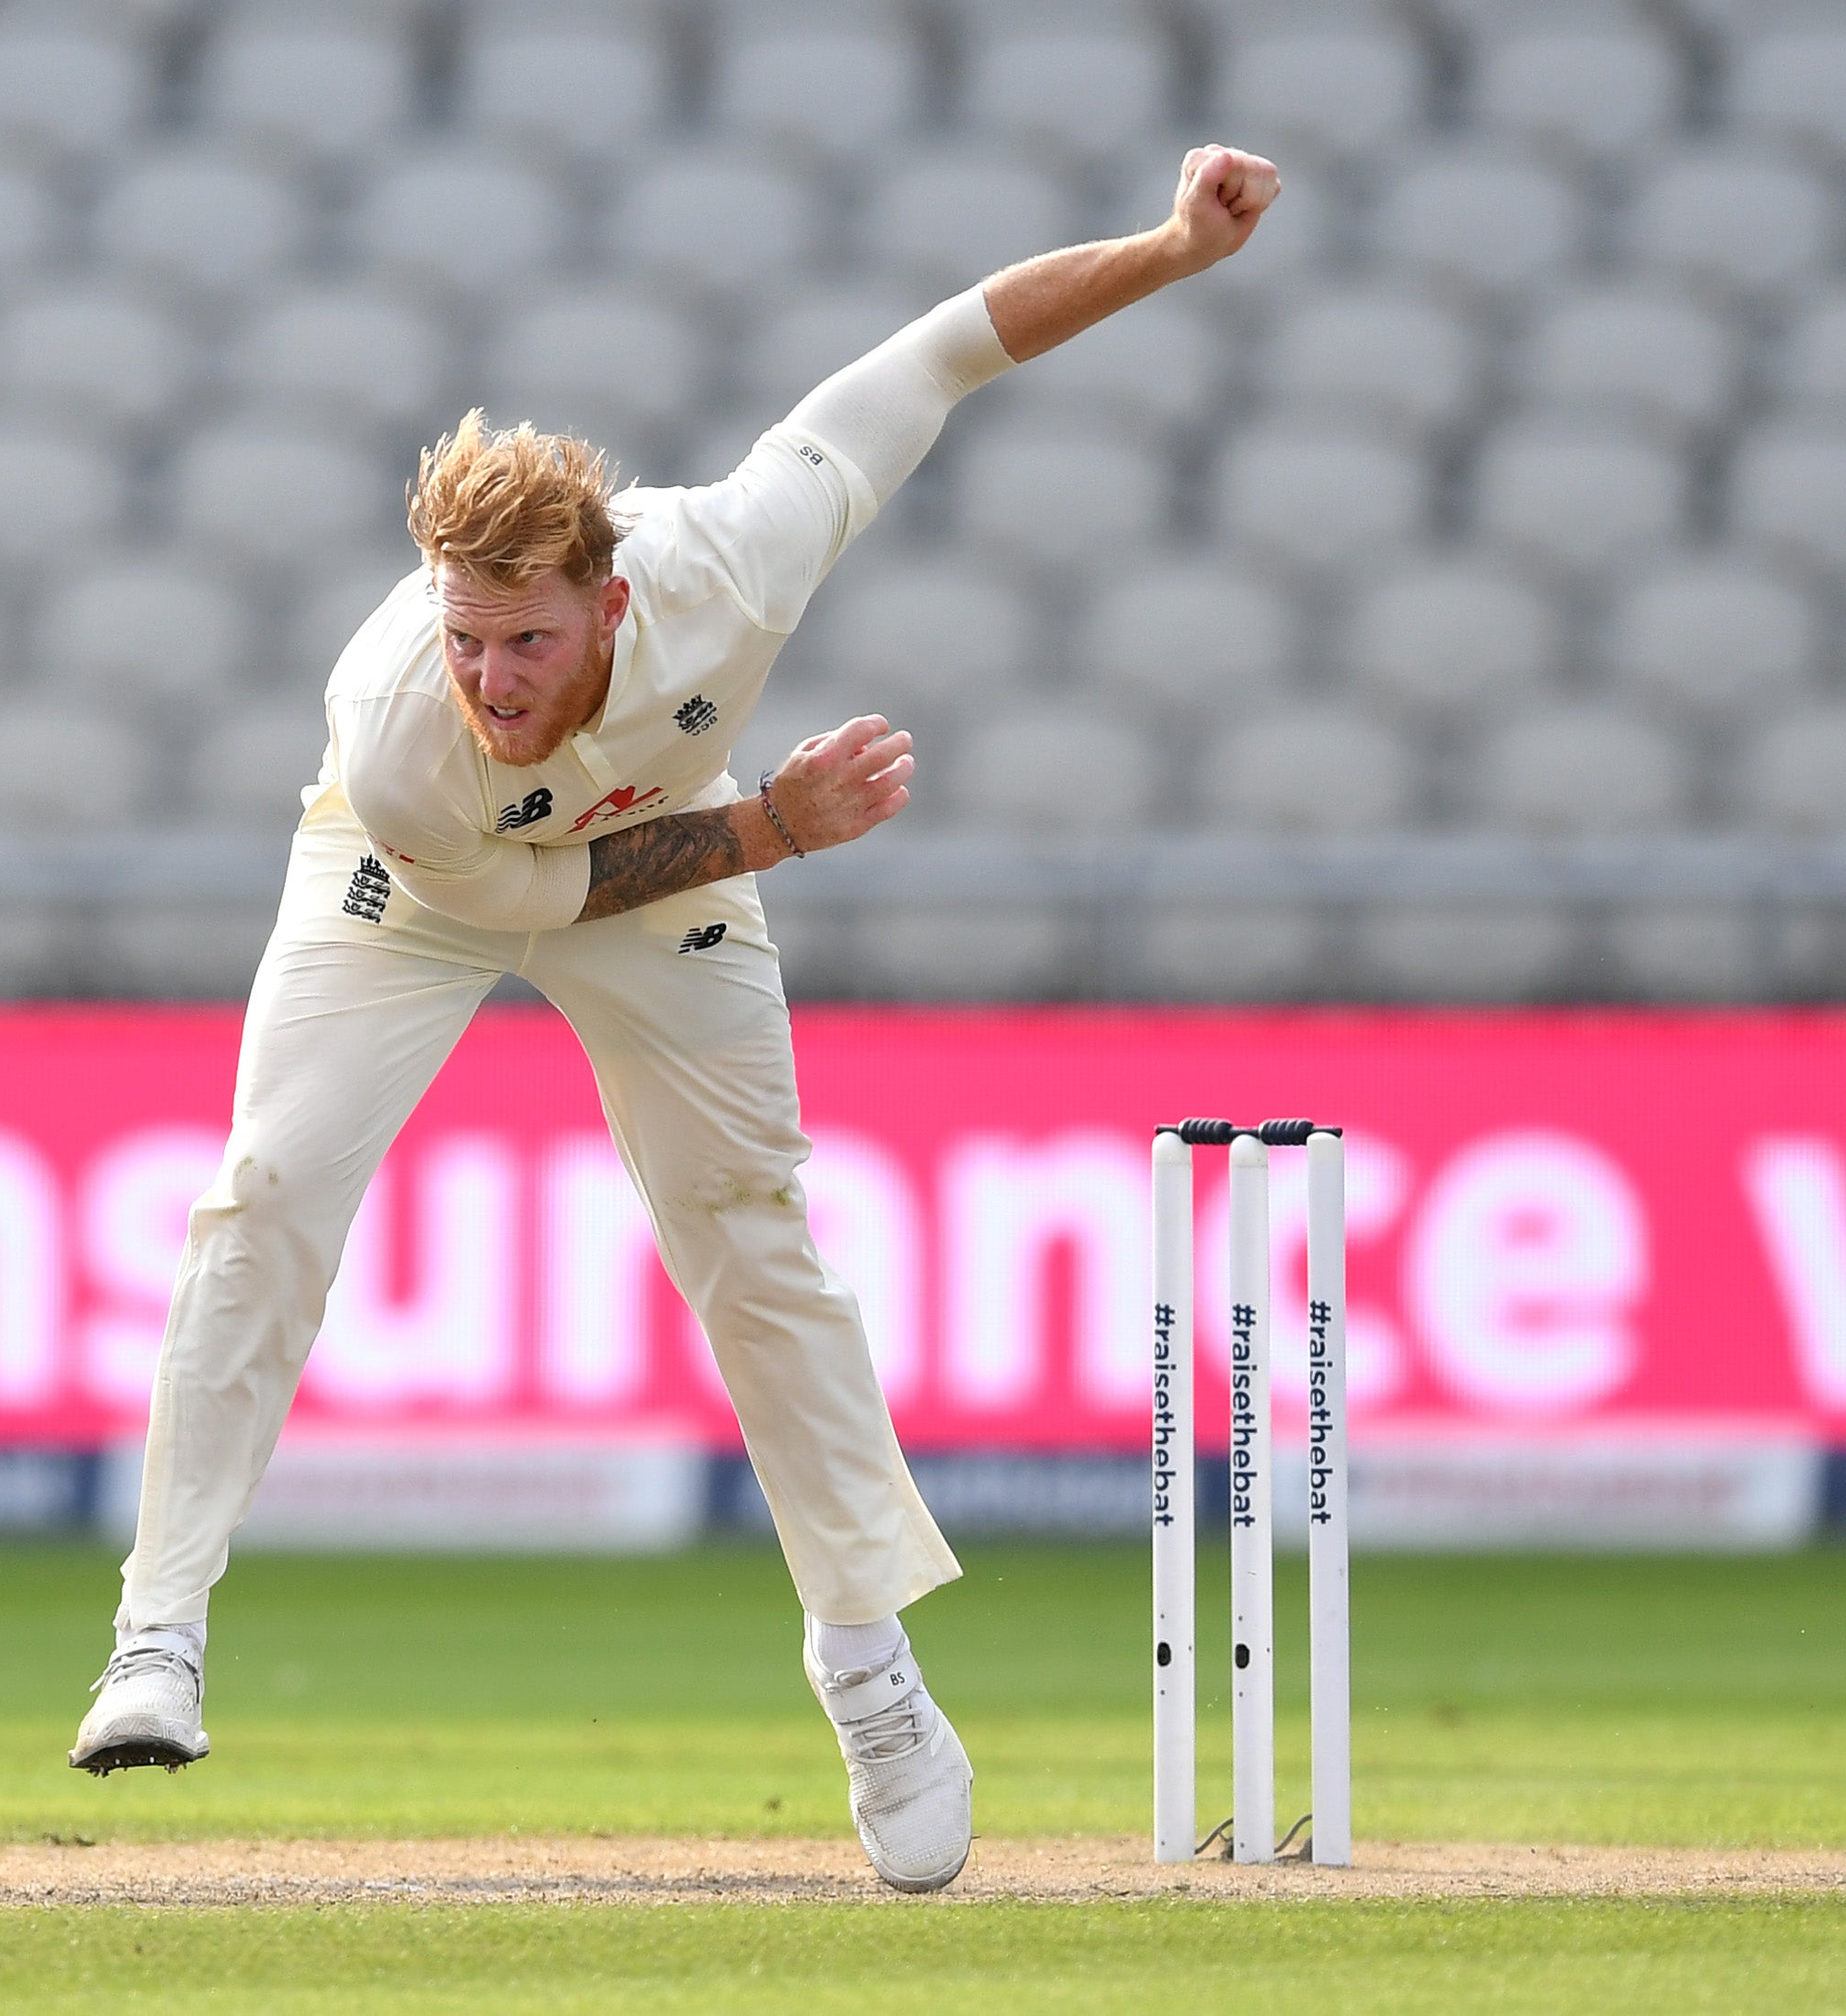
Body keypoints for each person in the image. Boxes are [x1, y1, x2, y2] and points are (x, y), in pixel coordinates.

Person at [70, 146, 1283, 1891]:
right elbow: (550, 896)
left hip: (672, 851)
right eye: (470, 637)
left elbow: (942, 352)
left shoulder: (728, 553)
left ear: (613, 602)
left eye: (529, 643)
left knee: (748, 1227)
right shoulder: (400, 732)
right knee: (266, 1191)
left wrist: (1170, 250)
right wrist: (777, 829)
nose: (494, 680)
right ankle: (158, 1632)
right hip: (418, 890)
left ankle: (864, 1658)